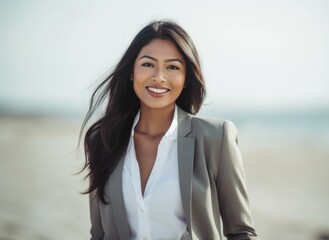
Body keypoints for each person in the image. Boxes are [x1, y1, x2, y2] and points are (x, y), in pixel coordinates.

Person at [80, 20, 259, 240]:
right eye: (148, 64)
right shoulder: (103, 140)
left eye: (172, 67)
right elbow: (99, 235)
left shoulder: (216, 138)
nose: (159, 77)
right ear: (131, 72)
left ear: (185, 79)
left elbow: (241, 232)